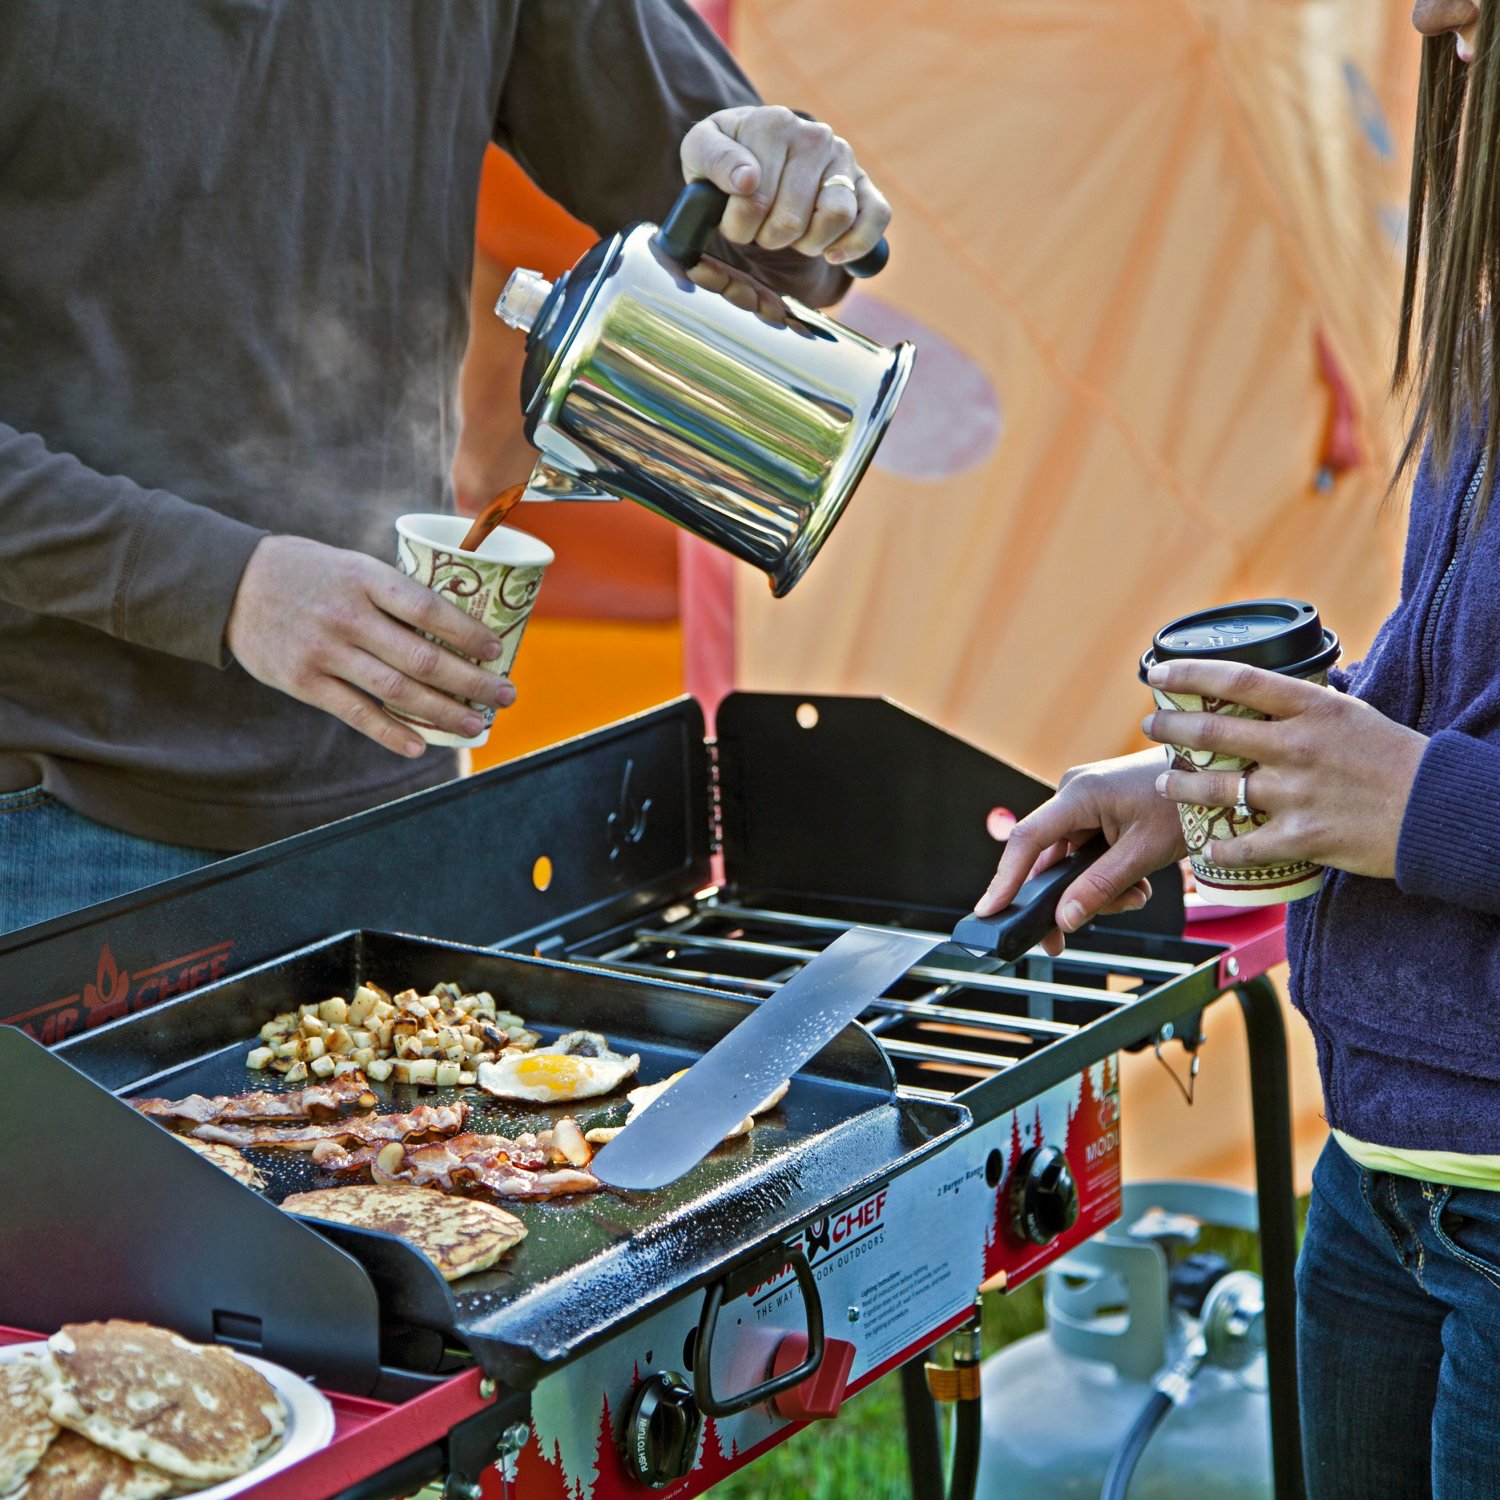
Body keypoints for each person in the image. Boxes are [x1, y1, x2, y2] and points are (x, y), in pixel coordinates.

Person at [0, 1, 890, 932]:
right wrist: (227, 588)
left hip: (399, 808)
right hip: (51, 813)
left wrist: (799, 190)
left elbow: (763, 235)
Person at [980, 2, 1500, 1494]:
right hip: (1386, 1173)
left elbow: (1441, 785)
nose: (1426, 19)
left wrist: (1415, 806)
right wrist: (1212, 792)